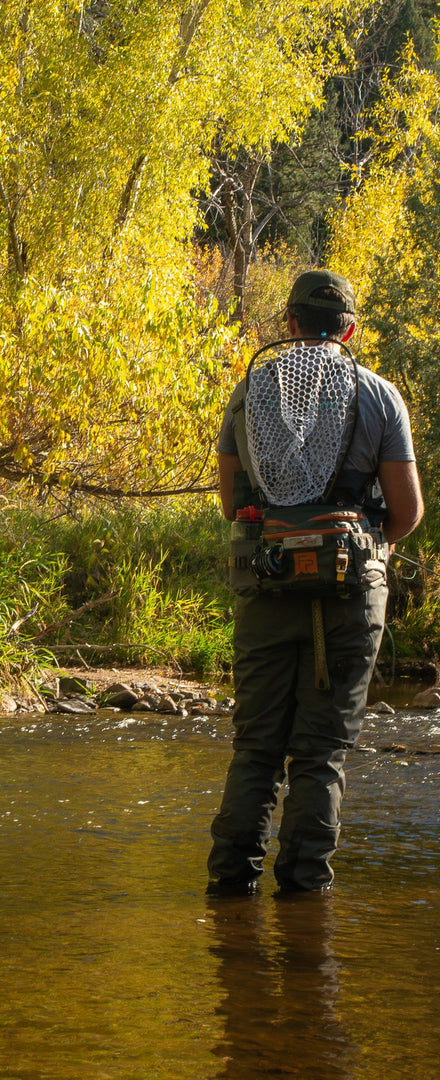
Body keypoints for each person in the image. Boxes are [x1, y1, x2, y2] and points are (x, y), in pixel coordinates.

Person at [208, 269, 424, 894]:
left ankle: (229, 890)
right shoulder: (380, 397)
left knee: (255, 749)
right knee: (321, 753)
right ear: (349, 330)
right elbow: (406, 516)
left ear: (289, 325)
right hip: (350, 595)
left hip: (266, 585)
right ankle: (304, 902)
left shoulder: (248, 394)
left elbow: (231, 504)